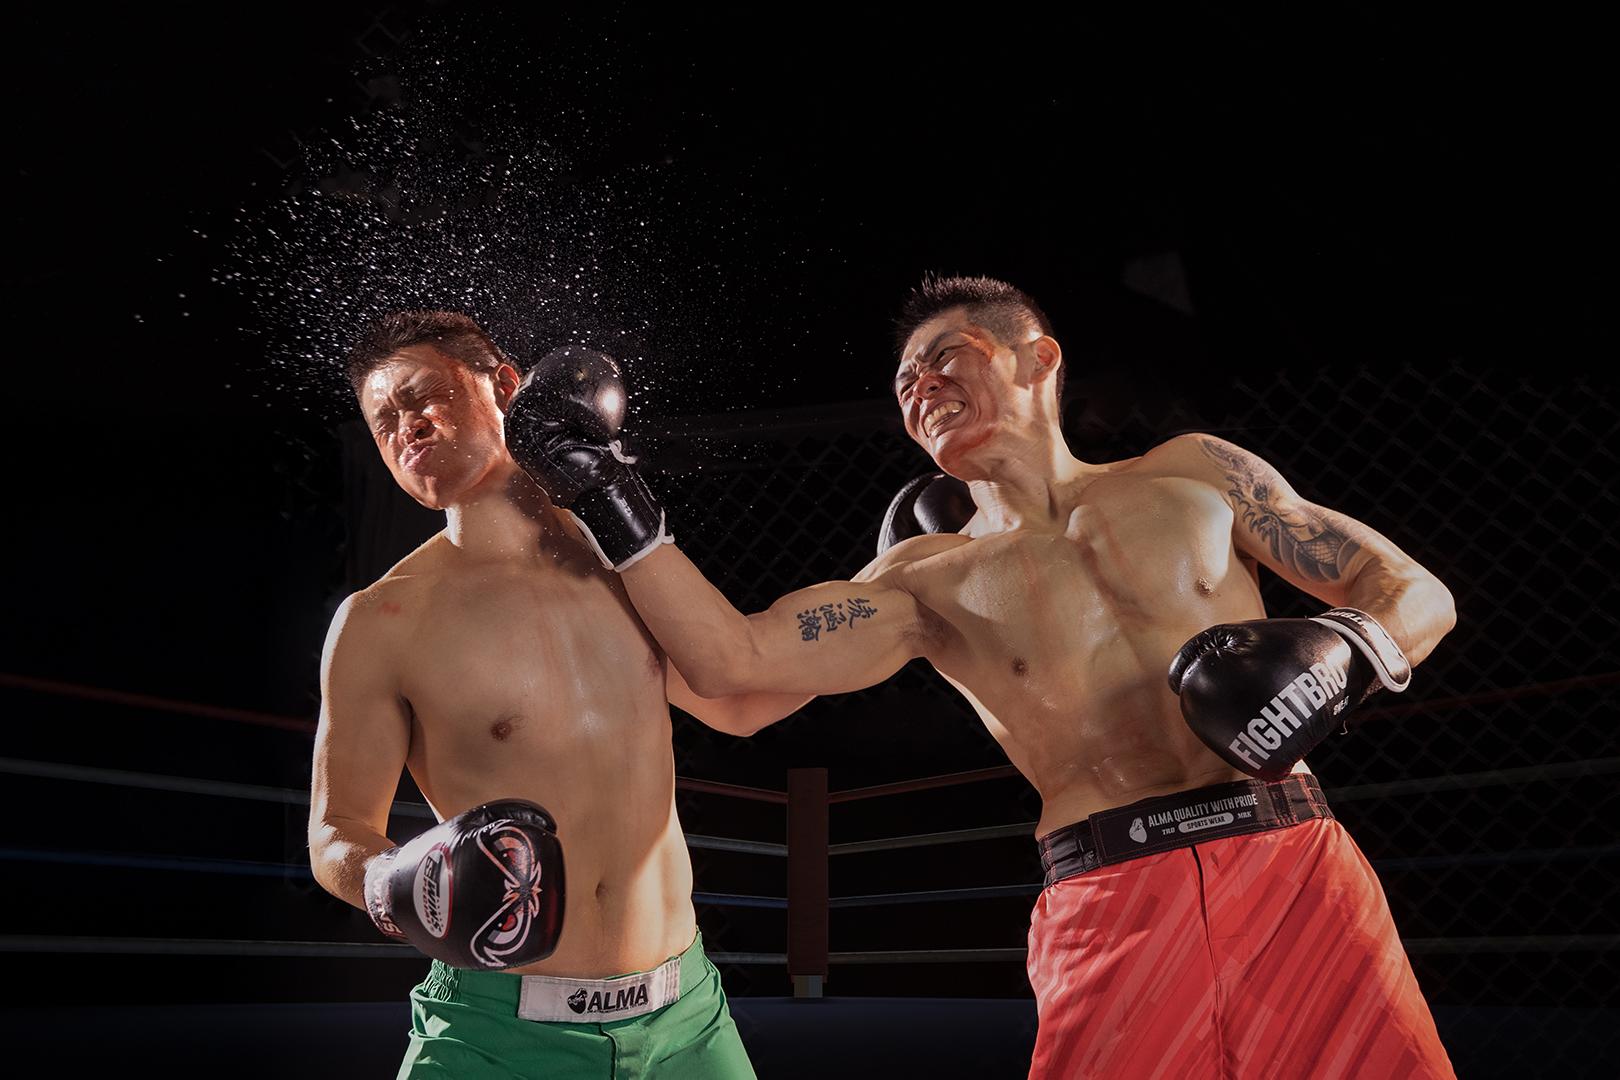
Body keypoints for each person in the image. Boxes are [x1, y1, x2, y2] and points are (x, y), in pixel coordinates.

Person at [506, 276, 1460, 1078]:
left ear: (1039, 359)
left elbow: (1413, 591)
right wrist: (605, 494)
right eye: (904, 381)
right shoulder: (926, 581)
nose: (920, 385)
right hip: (1112, 900)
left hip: (1293, 866)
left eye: (946, 358)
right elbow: (732, 674)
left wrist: (1343, 652)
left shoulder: (1194, 475)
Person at [307, 310, 804, 1078]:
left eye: (421, 396)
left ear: (505, 385)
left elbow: (737, 701)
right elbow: (336, 830)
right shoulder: (380, 622)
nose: (406, 426)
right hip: (494, 1034)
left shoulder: (627, 562)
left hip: (688, 1021)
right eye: (384, 421)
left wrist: (900, 606)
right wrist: (389, 881)